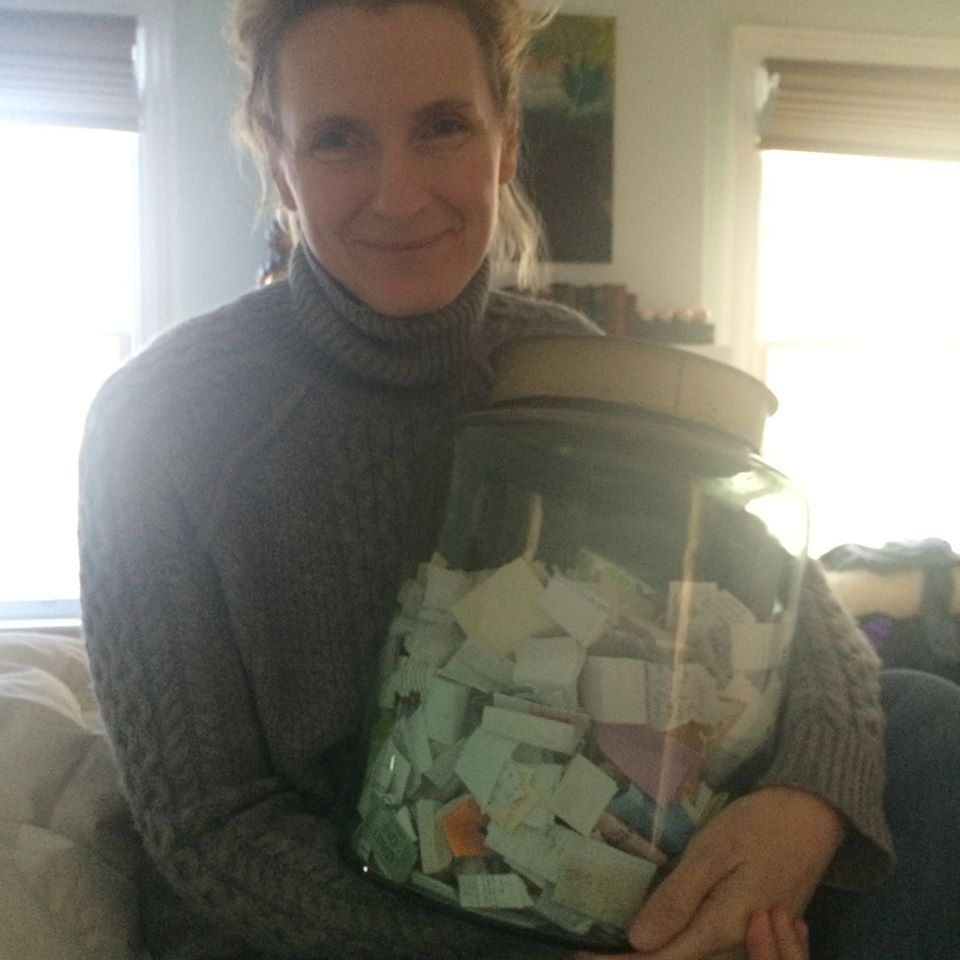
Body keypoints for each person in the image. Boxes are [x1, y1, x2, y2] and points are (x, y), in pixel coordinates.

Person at [80, 1, 951, 958]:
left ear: (505, 141)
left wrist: (806, 808)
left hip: (604, 869)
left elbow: (812, 625)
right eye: (336, 140)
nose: (399, 195)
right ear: (278, 161)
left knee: (925, 722)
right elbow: (207, 830)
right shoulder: (157, 424)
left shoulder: (564, 366)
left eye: (443, 126)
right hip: (347, 926)